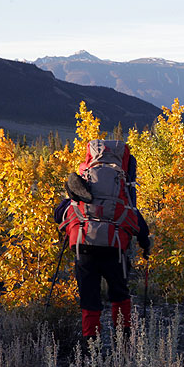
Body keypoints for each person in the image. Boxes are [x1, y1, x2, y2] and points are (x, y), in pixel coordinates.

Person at [54, 140, 150, 348]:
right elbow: (135, 217)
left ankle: (91, 348)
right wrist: (145, 243)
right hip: (115, 247)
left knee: (89, 298)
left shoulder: (84, 179)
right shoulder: (121, 184)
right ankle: (123, 345)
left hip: (84, 244)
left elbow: (60, 213)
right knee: (119, 294)